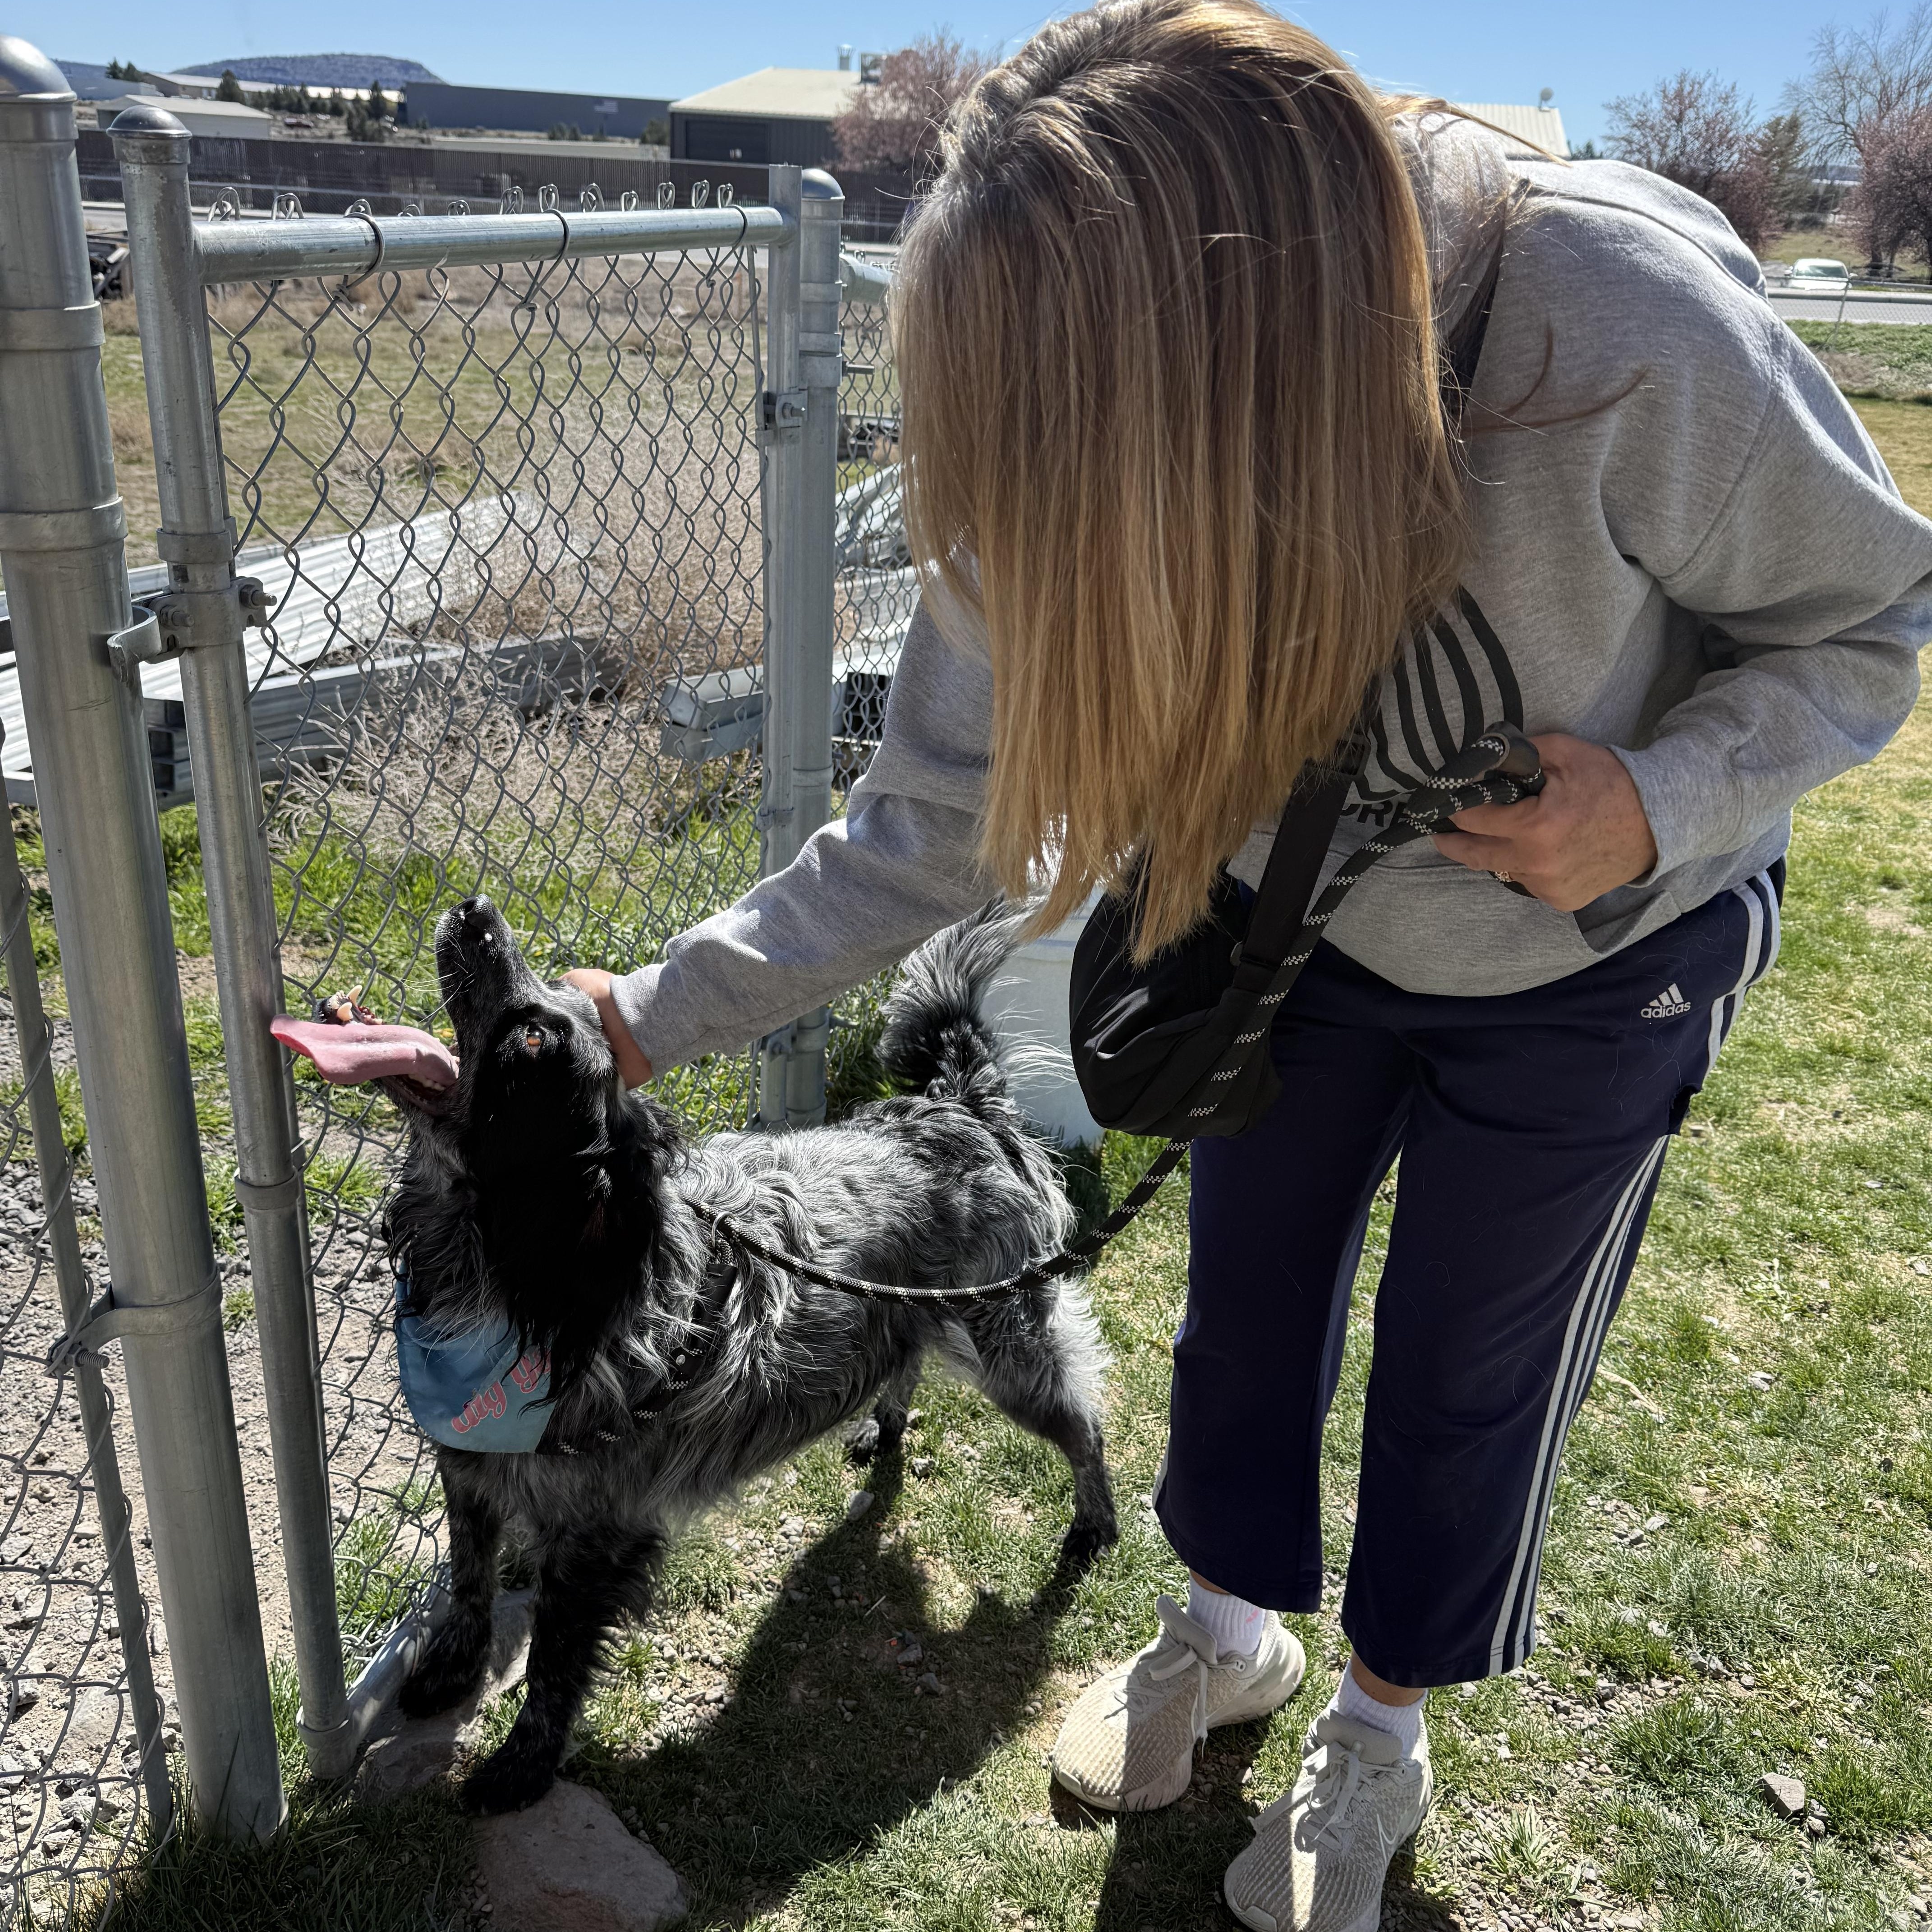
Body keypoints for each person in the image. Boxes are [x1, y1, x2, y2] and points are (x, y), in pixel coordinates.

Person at [566, 3, 1932, 1924]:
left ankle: (1377, 1734)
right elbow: (926, 823)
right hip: (1282, 949)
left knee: (1472, 1367)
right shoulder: (1056, 386)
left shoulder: (1610, 332)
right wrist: (626, 1021)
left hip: (1599, 954)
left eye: (1078, 468)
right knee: (1245, 1314)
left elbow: (1875, 614)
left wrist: (1664, 796)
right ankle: (1230, 1635)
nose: (1043, 526)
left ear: (1254, 372)